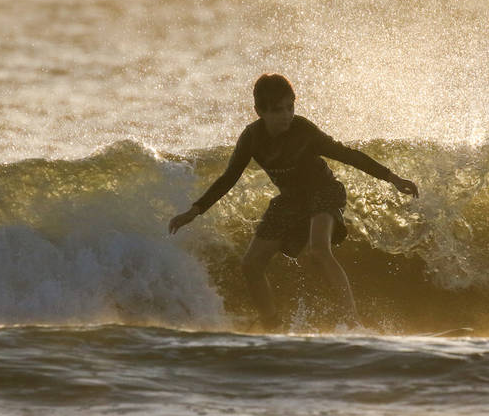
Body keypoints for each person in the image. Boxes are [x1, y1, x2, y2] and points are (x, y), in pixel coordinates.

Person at [168, 73, 418, 330]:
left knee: (319, 248)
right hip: (290, 201)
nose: (287, 114)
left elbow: (347, 154)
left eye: (290, 107)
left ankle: (351, 320)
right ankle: (271, 326)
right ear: (259, 111)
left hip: (324, 190)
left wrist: (392, 178)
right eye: (278, 110)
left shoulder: (304, 130)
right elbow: (228, 178)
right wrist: (194, 211)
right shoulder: (252, 138)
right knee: (250, 265)